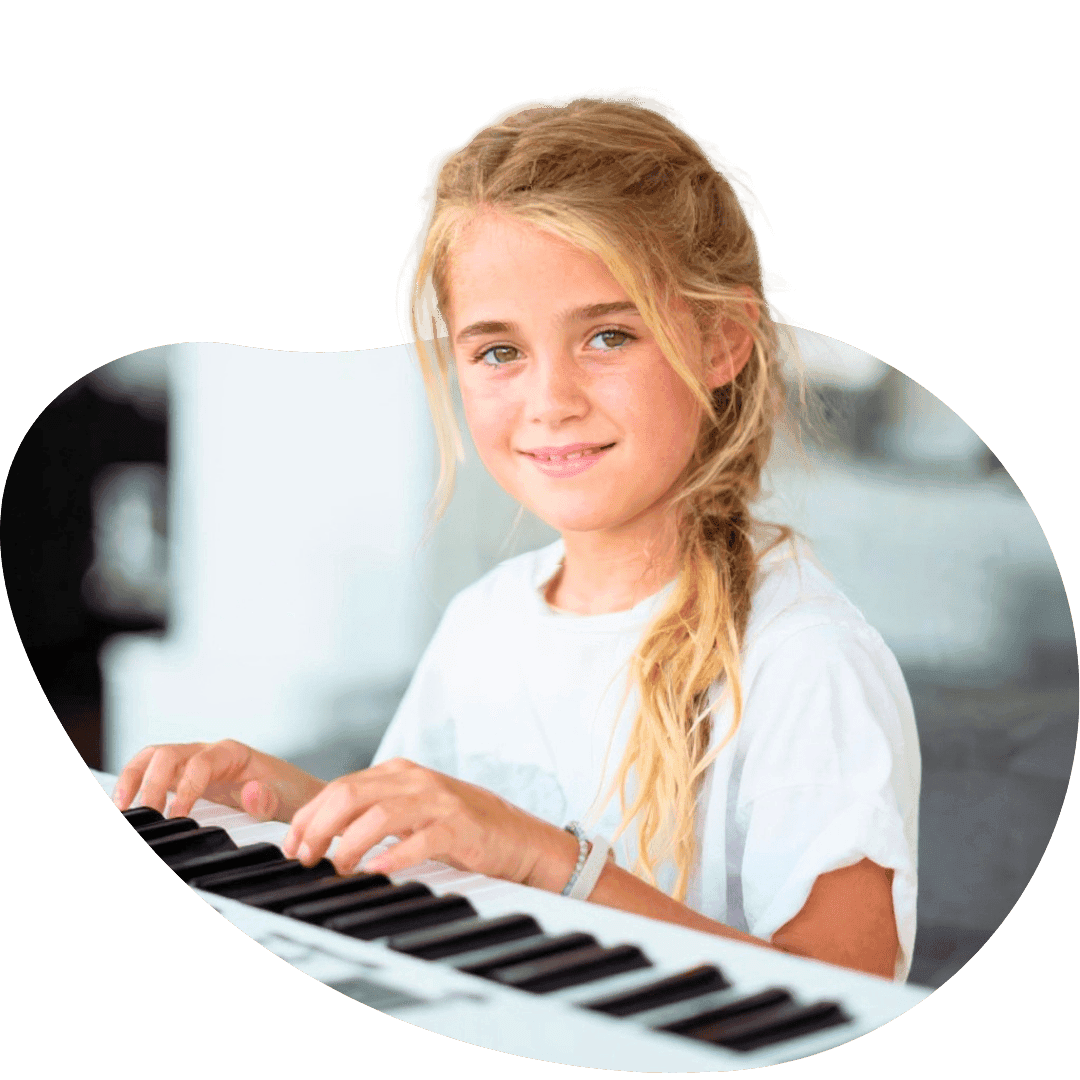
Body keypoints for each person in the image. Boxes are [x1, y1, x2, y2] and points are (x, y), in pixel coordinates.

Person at [112, 91, 920, 982]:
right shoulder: (487, 621)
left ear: (721, 339)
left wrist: (549, 860)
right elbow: (434, 852)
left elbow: (847, 995)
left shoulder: (804, 657)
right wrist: (281, 805)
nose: (550, 401)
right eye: (500, 352)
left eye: (608, 336)